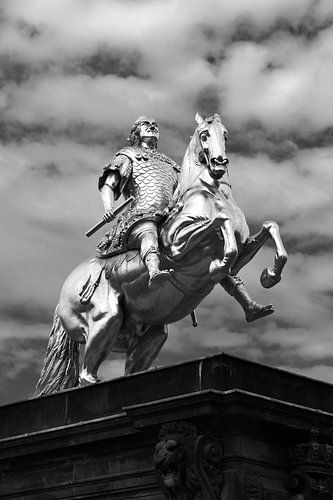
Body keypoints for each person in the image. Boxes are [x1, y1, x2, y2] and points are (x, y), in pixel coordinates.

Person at [97, 116, 180, 287]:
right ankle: (154, 271)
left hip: (169, 216)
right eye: (145, 124)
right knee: (147, 230)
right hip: (140, 215)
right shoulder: (128, 155)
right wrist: (108, 208)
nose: (151, 127)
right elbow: (109, 185)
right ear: (137, 132)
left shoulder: (171, 164)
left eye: (154, 125)